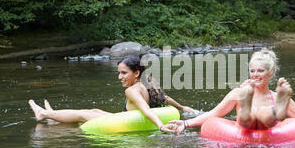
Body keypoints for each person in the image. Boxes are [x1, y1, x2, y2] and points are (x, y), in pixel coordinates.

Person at [167, 48, 295, 134]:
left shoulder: (275, 96)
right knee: (248, 118)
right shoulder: (237, 92)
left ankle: (277, 111)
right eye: (252, 71)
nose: (255, 75)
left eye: (260, 71)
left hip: (268, 130)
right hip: (245, 129)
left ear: (270, 73)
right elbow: (214, 114)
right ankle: (247, 104)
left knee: (265, 115)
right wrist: (185, 123)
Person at [28, 55, 196, 133]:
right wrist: (182, 107)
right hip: (127, 119)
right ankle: (52, 116)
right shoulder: (148, 83)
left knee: (81, 115)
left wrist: (161, 126)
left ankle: (43, 114)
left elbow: (146, 110)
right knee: (94, 110)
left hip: (124, 123)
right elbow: (165, 98)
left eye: (123, 73)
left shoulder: (131, 90)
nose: (119, 77)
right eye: (119, 73)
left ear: (136, 73)